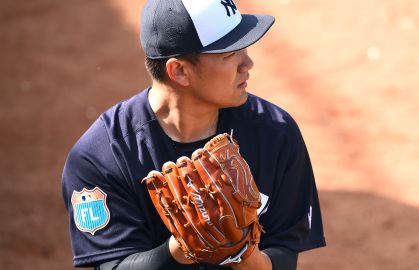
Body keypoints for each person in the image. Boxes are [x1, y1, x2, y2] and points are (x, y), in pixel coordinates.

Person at [61, 0, 326, 269]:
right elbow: (112, 265)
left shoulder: (275, 133)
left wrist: (248, 258)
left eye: (244, 48)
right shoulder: (101, 156)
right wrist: (183, 246)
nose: (247, 63)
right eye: (229, 54)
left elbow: (285, 248)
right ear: (180, 71)